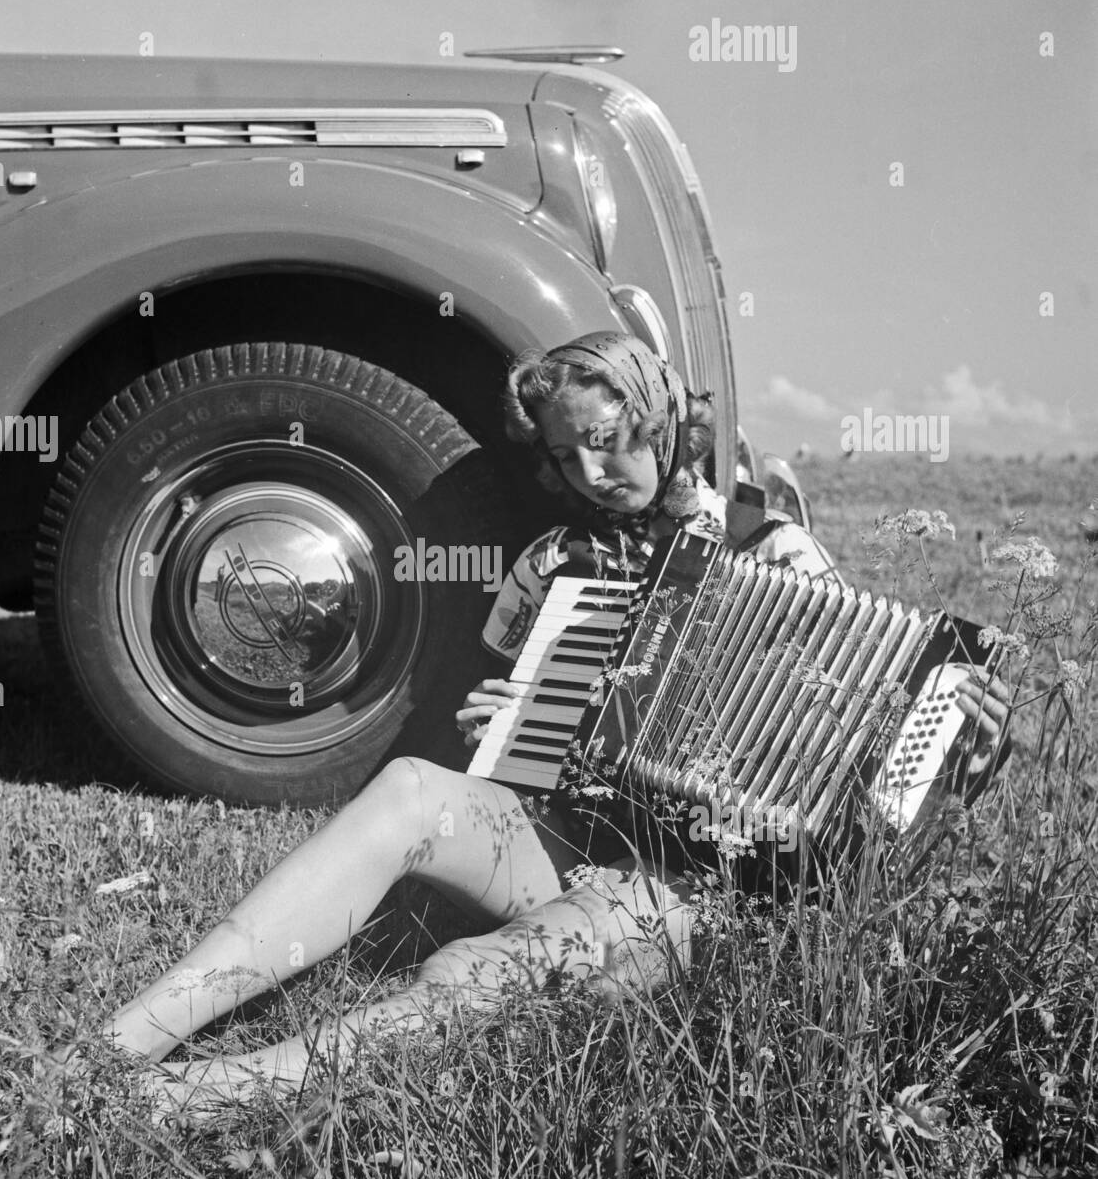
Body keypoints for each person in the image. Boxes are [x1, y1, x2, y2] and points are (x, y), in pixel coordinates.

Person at [100, 333, 1011, 1116]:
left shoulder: (772, 551)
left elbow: (875, 756)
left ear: (658, 422)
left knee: (466, 974)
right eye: (567, 456)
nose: (591, 475)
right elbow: (501, 721)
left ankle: (221, 1091)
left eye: (609, 444)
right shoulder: (555, 564)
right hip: (572, 834)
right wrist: (495, 722)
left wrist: (969, 742)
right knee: (414, 789)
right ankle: (122, 1041)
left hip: (706, 881)